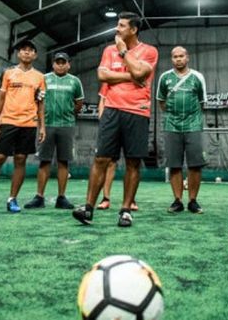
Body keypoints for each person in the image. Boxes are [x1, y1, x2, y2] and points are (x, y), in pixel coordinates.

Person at [72, 12, 158, 227]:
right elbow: (103, 76)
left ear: (133, 29)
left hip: (137, 112)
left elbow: (141, 70)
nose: (116, 30)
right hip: (111, 109)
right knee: (101, 159)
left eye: (121, 26)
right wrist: (132, 76)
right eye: (117, 25)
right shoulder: (108, 50)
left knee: (132, 162)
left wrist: (124, 51)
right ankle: (89, 208)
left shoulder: (149, 51)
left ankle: (126, 210)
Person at [0, 39, 45, 213]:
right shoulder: (8, 73)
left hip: (29, 124)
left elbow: (41, 103)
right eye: (23, 50)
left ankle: (12, 199)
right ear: (18, 54)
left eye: (30, 50)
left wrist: (42, 127)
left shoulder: (40, 77)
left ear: (35, 55)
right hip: (8, 122)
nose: (27, 52)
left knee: (21, 160)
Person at [23, 51, 82, 210]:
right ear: (53, 64)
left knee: (64, 161)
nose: (61, 65)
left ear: (69, 64)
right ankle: (39, 197)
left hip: (67, 125)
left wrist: (68, 114)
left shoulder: (75, 81)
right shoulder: (44, 79)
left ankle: (61, 198)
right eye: (58, 62)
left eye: (64, 62)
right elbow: (37, 100)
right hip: (46, 125)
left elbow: (78, 103)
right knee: (44, 161)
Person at [156, 46, 207, 214]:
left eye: (181, 56)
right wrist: (174, 114)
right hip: (172, 125)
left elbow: (202, 102)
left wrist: (191, 117)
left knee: (195, 165)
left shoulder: (198, 77)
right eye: (175, 56)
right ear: (172, 59)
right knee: (174, 165)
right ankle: (177, 201)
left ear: (187, 58)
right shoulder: (164, 78)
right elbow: (161, 101)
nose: (178, 59)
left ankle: (193, 201)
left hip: (193, 125)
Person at [96, 84, 137, 212]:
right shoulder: (110, 79)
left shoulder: (138, 76)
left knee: (132, 161)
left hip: (132, 120)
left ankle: (131, 200)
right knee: (109, 162)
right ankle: (106, 198)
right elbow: (102, 100)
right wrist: (103, 121)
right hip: (111, 121)